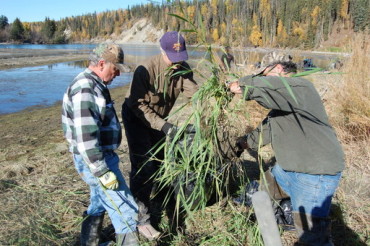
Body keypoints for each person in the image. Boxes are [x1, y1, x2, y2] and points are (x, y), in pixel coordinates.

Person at [227, 52, 345, 245]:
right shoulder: (285, 103)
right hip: (286, 170)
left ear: (278, 69)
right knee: (262, 194)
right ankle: (271, 240)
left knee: (312, 238)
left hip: (314, 175)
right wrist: (241, 145)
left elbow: (264, 89)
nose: (263, 80)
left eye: (264, 75)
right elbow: (267, 129)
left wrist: (240, 84)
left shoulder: (300, 87)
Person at [122, 31, 198, 239]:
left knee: (161, 162)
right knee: (143, 167)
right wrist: (164, 126)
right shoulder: (145, 70)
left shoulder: (181, 68)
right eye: (172, 59)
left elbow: (196, 93)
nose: (176, 64)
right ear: (162, 51)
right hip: (137, 118)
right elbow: (138, 104)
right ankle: (142, 220)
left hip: (159, 121)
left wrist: (215, 98)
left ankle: (160, 200)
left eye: (180, 59)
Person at [62, 43, 139, 246]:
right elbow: (85, 138)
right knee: (125, 210)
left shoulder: (95, 84)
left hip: (97, 157)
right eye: (116, 69)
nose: (118, 75)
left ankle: (88, 242)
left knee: (99, 200)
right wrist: (102, 170)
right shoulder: (86, 89)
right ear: (102, 64)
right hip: (96, 159)